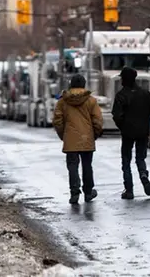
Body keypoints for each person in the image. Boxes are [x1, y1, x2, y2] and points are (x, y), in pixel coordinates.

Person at [53, 74, 103, 205]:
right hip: (87, 137)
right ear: (84, 85)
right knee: (87, 165)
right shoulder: (91, 101)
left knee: (72, 166)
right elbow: (97, 121)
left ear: (71, 85)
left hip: (70, 138)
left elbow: (57, 121)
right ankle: (88, 192)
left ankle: (74, 192)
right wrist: (94, 135)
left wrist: (63, 135)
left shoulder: (63, 101)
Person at [112, 67, 150, 200]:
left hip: (127, 132)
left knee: (126, 161)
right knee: (140, 158)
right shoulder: (144, 93)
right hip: (143, 131)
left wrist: (123, 126)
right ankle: (143, 174)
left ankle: (129, 190)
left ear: (124, 79)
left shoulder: (121, 95)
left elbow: (116, 115)